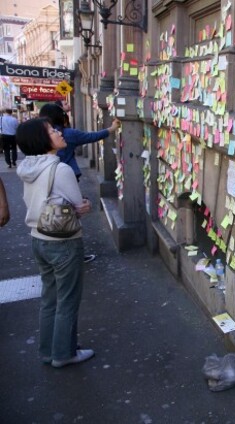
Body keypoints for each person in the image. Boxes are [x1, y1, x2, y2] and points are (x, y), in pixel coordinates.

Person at [16, 118, 94, 368]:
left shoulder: (27, 166)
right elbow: (78, 206)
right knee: (68, 299)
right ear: (43, 140)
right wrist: (85, 205)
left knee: (49, 298)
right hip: (63, 241)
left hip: (38, 238)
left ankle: (48, 350)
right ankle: (64, 353)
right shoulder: (60, 169)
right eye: (51, 130)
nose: (58, 132)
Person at [39, 103, 120, 263]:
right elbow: (90, 137)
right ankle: (71, 254)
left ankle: (57, 251)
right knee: (70, 214)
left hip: (46, 180)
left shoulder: (40, 137)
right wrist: (111, 129)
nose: (57, 133)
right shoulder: (66, 135)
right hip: (65, 178)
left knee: (54, 213)